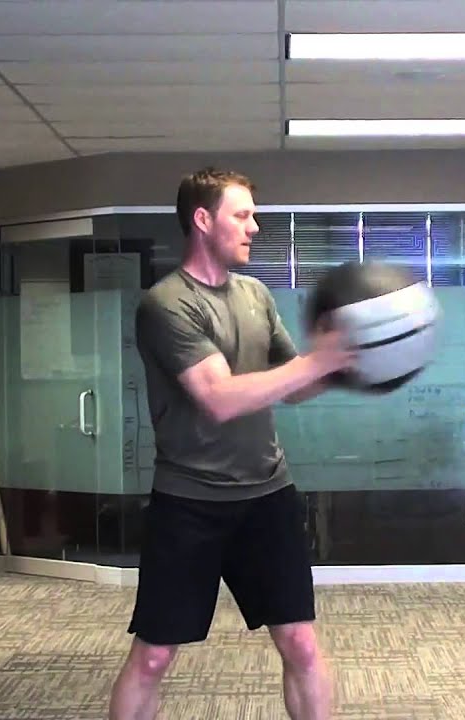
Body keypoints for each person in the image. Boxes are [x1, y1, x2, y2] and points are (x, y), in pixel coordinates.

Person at [108, 167, 355, 720]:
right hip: (188, 503)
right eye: (242, 215)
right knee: (154, 656)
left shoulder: (256, 294)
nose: (255, 227)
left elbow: (294, 385)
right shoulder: (166, 304)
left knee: (301, 642)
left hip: (267, 496)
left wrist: (350, 363)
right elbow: (218, 398)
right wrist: (319, 361)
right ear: (203, 219)